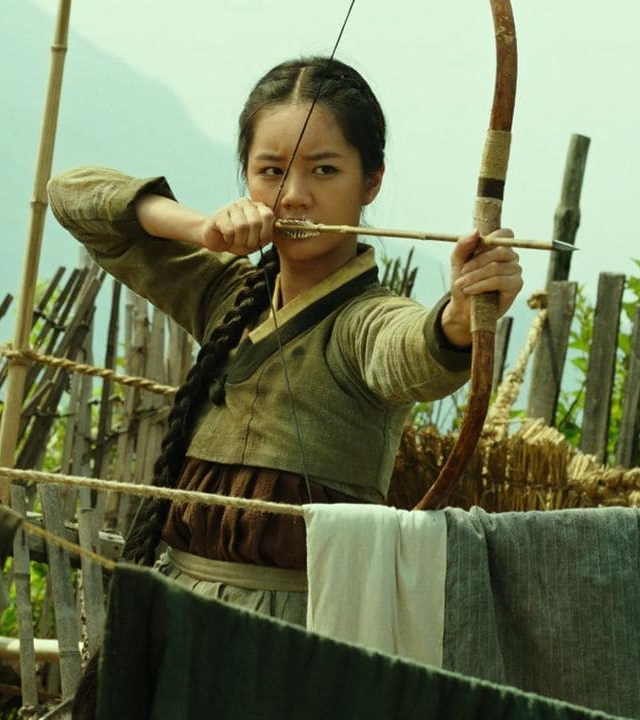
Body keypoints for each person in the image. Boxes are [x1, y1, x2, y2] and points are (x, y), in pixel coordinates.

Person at [47, 56, 523, 626]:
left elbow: (408, 352)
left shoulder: (362, 320)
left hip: (299, 625)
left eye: (325, 170)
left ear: (371, 181)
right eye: (270, 171)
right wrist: (200, 229)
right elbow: (71, 194)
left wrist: (460, 317)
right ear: (246, 177)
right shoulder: (226, 291)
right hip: (175, 608)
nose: (293, 196)